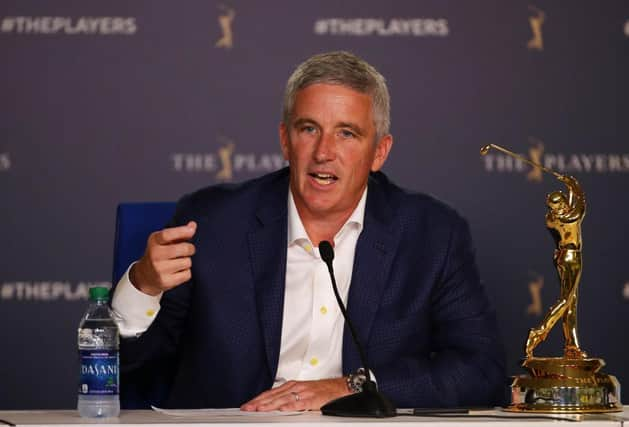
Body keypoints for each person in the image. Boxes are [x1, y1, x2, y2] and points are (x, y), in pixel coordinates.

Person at [111, 51, 506, 410]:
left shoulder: (431, 234)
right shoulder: (212, 221)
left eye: (347, 133)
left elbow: (481, 373)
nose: (323, 152)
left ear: (379, 152)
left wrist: (351, 387)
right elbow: (127, 370)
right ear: (285, 140)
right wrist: (143, 285)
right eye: (309, 129)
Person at [525, 175, 586, 359]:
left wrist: (568, 188)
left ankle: (571, 346)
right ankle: (539, 333)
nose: (565, 206)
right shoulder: (571, 216)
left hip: (561, 256)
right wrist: (571, 182)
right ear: (560, 206)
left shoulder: (552, 219)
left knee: (571, 302)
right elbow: (581, 199)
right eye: (562, 204)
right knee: (566, 300)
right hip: (572, 257)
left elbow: (570, 204)